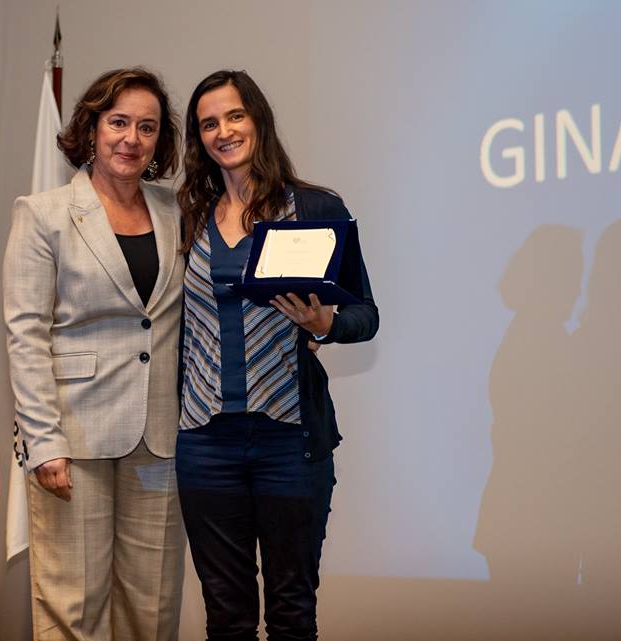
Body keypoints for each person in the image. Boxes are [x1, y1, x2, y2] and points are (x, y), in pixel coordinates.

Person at [175, 69, 379, 641]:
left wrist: (325, 322)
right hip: (204, 441)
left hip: (290, 439)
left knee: (292, 611)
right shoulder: (188, 214)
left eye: (234, 116)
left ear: (258, 120)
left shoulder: (314, 206)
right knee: (227, 616)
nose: (223, 131)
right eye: (209, 123)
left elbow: (366, 315)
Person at [3, 68, 185, 641]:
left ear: (160, 141)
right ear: (92, 127)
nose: (132, 138)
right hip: (71, 443)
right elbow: (26, 334)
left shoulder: (177, 210)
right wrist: (43, 441)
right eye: (119, 122)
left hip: (158, 441)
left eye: (147, 127)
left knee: (151, 608)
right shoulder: (43, 213)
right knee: (72, 607)